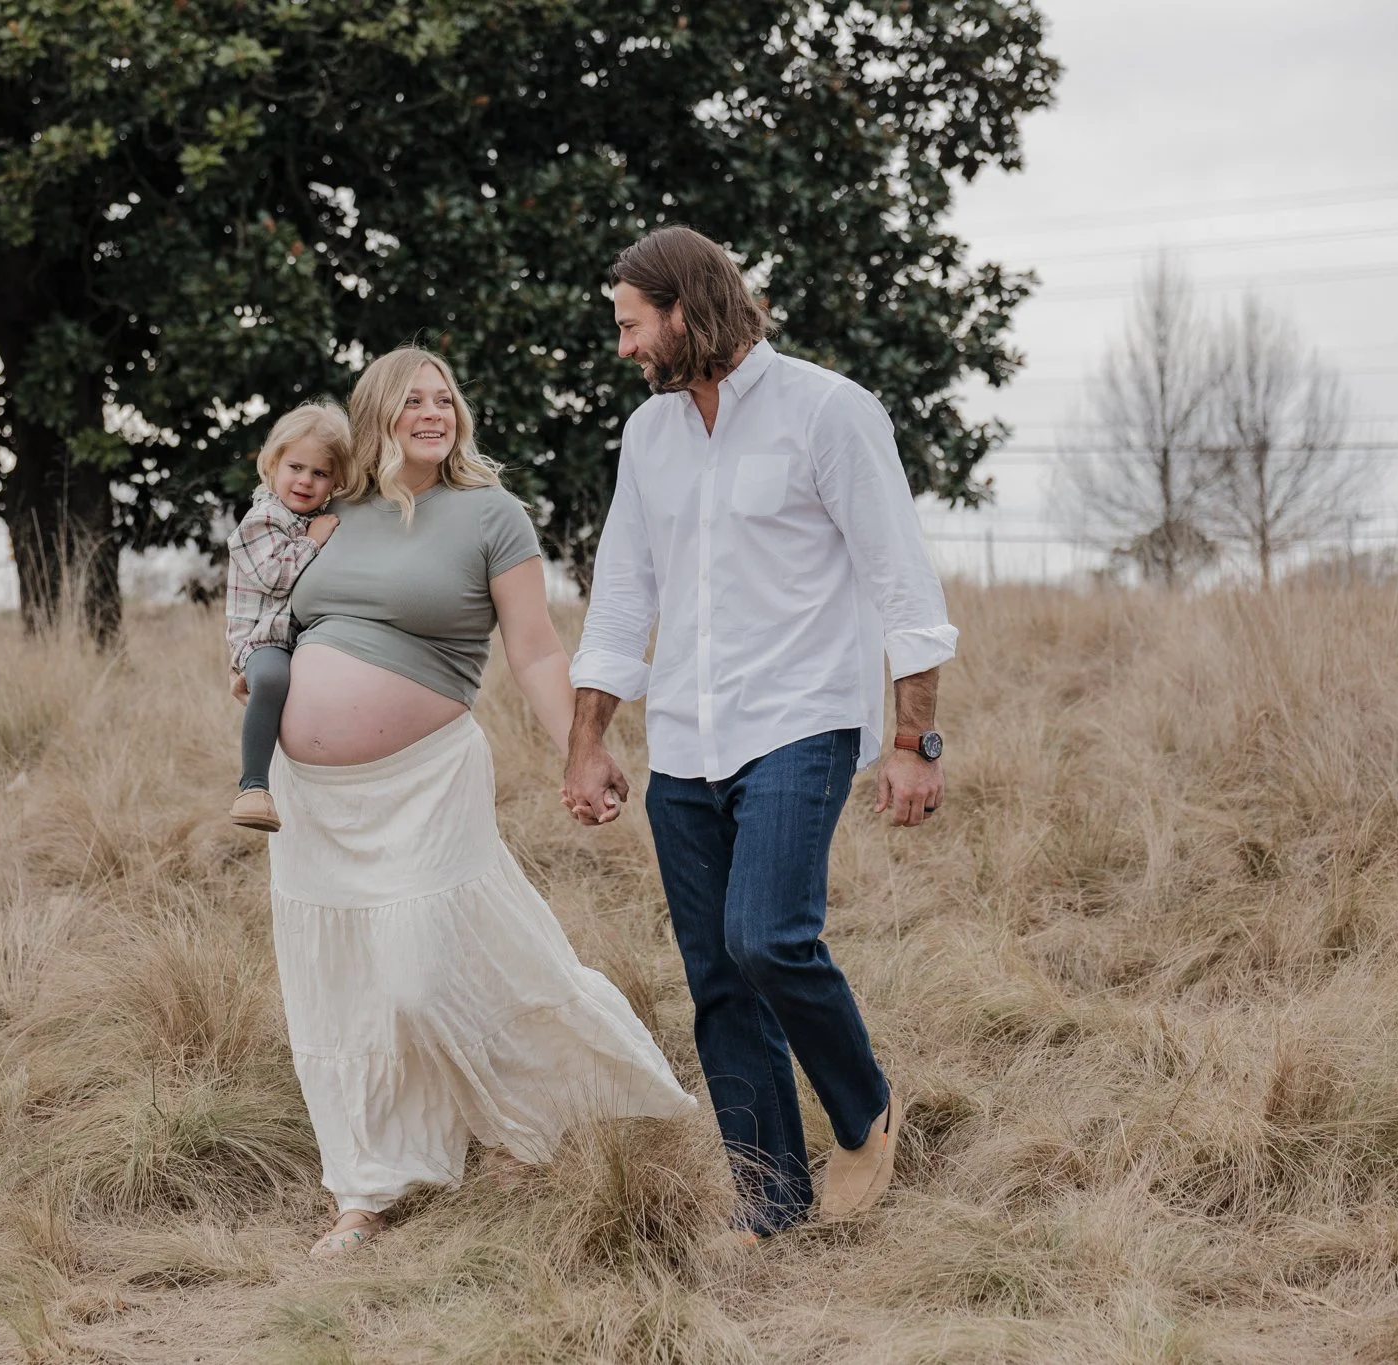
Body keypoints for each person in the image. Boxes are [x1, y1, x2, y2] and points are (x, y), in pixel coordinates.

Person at [561, 226, 957, 1240]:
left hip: (800, 720)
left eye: (629, 325)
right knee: (714, 978)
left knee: (767, 939)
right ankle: (768, 1200)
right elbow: (620, 596)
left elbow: (900, 583)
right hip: (684, 738)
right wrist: (587, 737)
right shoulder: (646, 437)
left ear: (683, 311)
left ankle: (863, 1109)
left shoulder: (826, 410)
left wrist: (914, 742)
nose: (622, 349)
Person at [266, 345, 695, 1259]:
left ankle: (523, 1120)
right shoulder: (329, 514)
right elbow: (270, 615)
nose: (434, 412)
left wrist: (582, 748)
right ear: (378, 412)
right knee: (343, 993)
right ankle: (365, 1185)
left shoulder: (491, 516)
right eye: (414, 400)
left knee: (420, 978)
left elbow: (536, 649)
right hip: (313, 802)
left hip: (424, 782)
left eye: (445, 398)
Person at [223, 403, 356, 832]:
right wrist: (314, 543)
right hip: (263, 638)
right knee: (274, 680)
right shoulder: (262, 519)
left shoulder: (315, 518)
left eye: (320, 474)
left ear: (335, 481)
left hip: (296, 637)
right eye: (296, 467)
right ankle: (253, 787)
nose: (305, 480)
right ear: (273, 464)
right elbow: (275, 578)